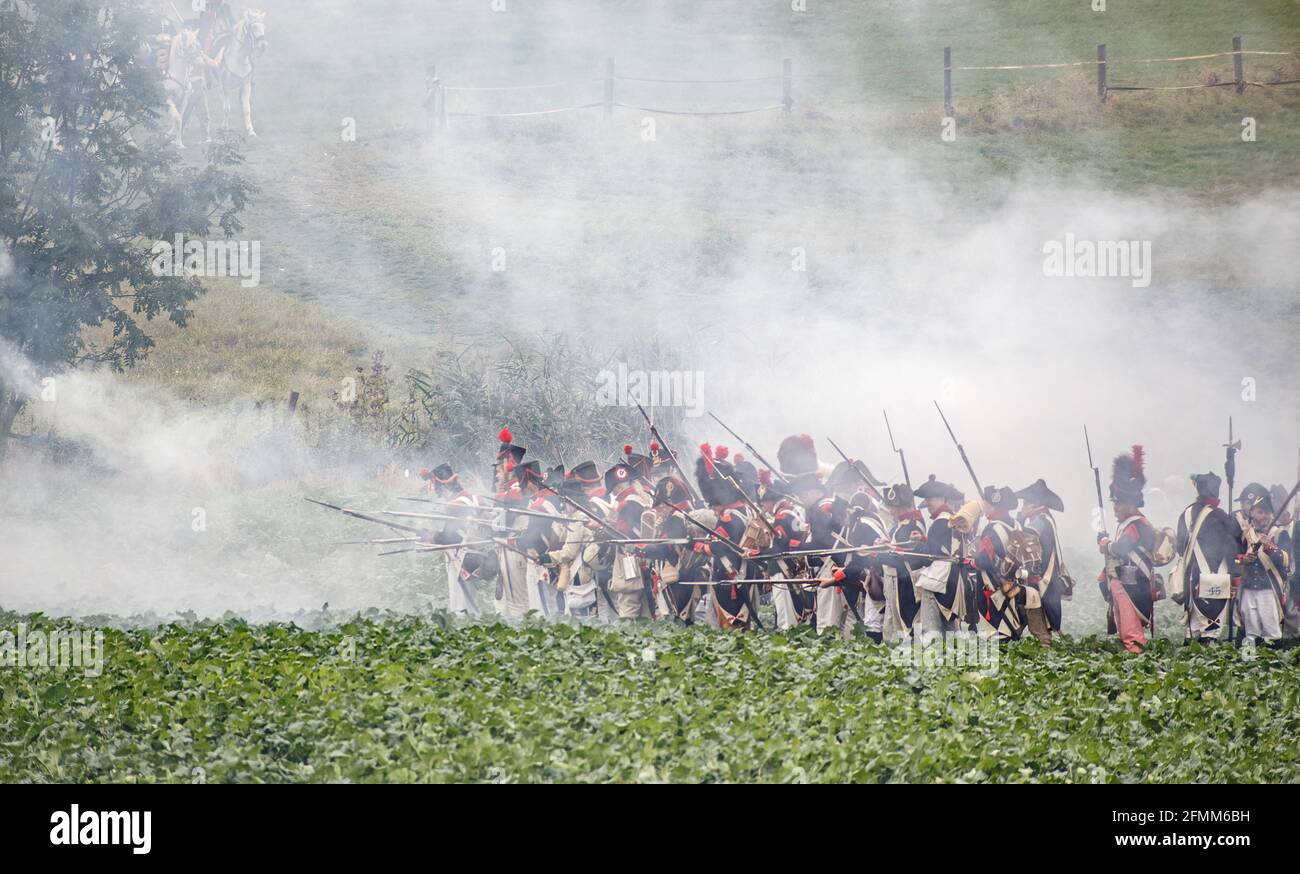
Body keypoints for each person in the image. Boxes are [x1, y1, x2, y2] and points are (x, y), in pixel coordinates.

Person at [1098, 446, 1158, 653]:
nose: (1116, 508)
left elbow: (1122, 548)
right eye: (1115, 503)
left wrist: (1107, 545)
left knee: (1131, 631)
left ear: (1131, 503)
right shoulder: (1129, 524)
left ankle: (1137, 658)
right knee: (1123, 626)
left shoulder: (1137, 524)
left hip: (1132, 584)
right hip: (1123, 582)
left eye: (1120, 503)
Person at [1171, 472, 1240, 642]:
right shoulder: (1221, 516)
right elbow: (1231, 547)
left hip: (1192, 575)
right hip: (1218, 575)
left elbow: (1181, 547)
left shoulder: (1186, 515)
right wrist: (1235, 573)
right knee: (1211, 626)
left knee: (1194, 622)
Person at [1016, 478, 1070, 644]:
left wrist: (1019, 520)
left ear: (1034, 504)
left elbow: (1023, 546)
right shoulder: (1045, 519)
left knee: (1040, 630)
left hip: (1037, 582)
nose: (1023, 507)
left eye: (1025, 504)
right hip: (1042, 580)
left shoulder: (1038, 522)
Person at [1236, 485, 1291, 645]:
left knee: (1271, 629)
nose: (1264, 516)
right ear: (1252, 513)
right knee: (1251, 629)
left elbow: (1286, 561)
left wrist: (1270, 548)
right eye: (1260, 512)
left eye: (1267, 513)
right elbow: (1235, 559)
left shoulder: (1280, 534)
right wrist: (1243, 559)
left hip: (1269, 588)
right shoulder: (1245, 535)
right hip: (1248, 588)